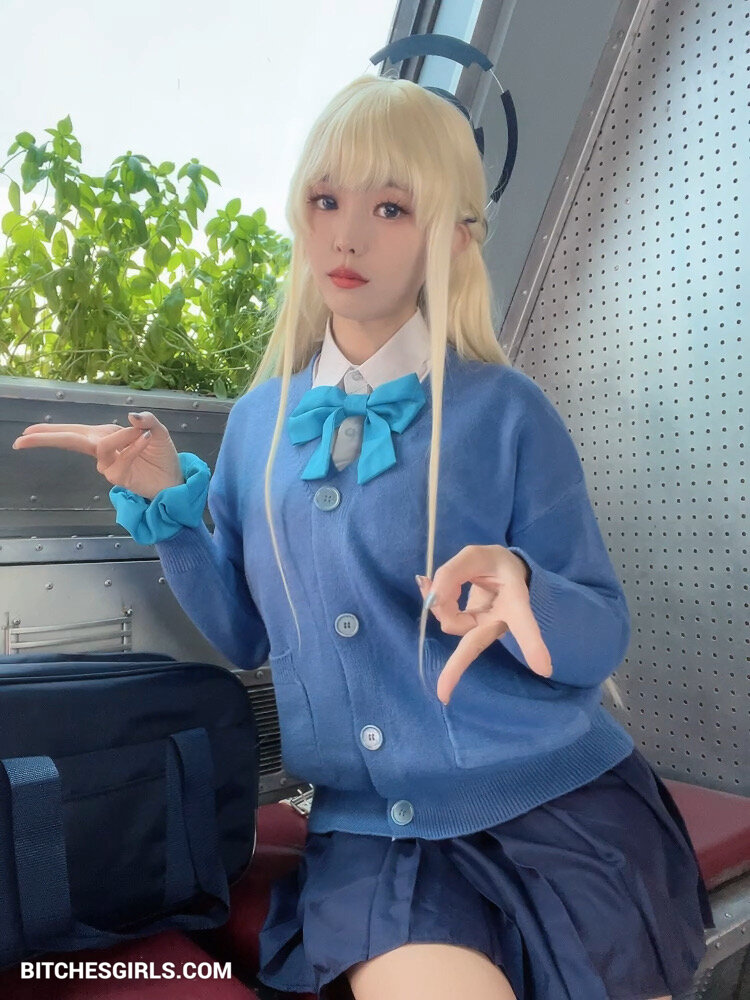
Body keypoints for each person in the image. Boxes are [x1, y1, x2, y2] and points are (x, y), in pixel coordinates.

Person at [12, 73, 714, 1000]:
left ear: (453, 238)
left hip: (560, 804)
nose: (346, 236)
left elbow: (600, 631)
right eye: (325, 201)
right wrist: (170, 511)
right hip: (377, 837)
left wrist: (526, 588)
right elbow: (245, 636)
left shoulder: (508, 412)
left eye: (391, 207)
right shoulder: (258, 426)